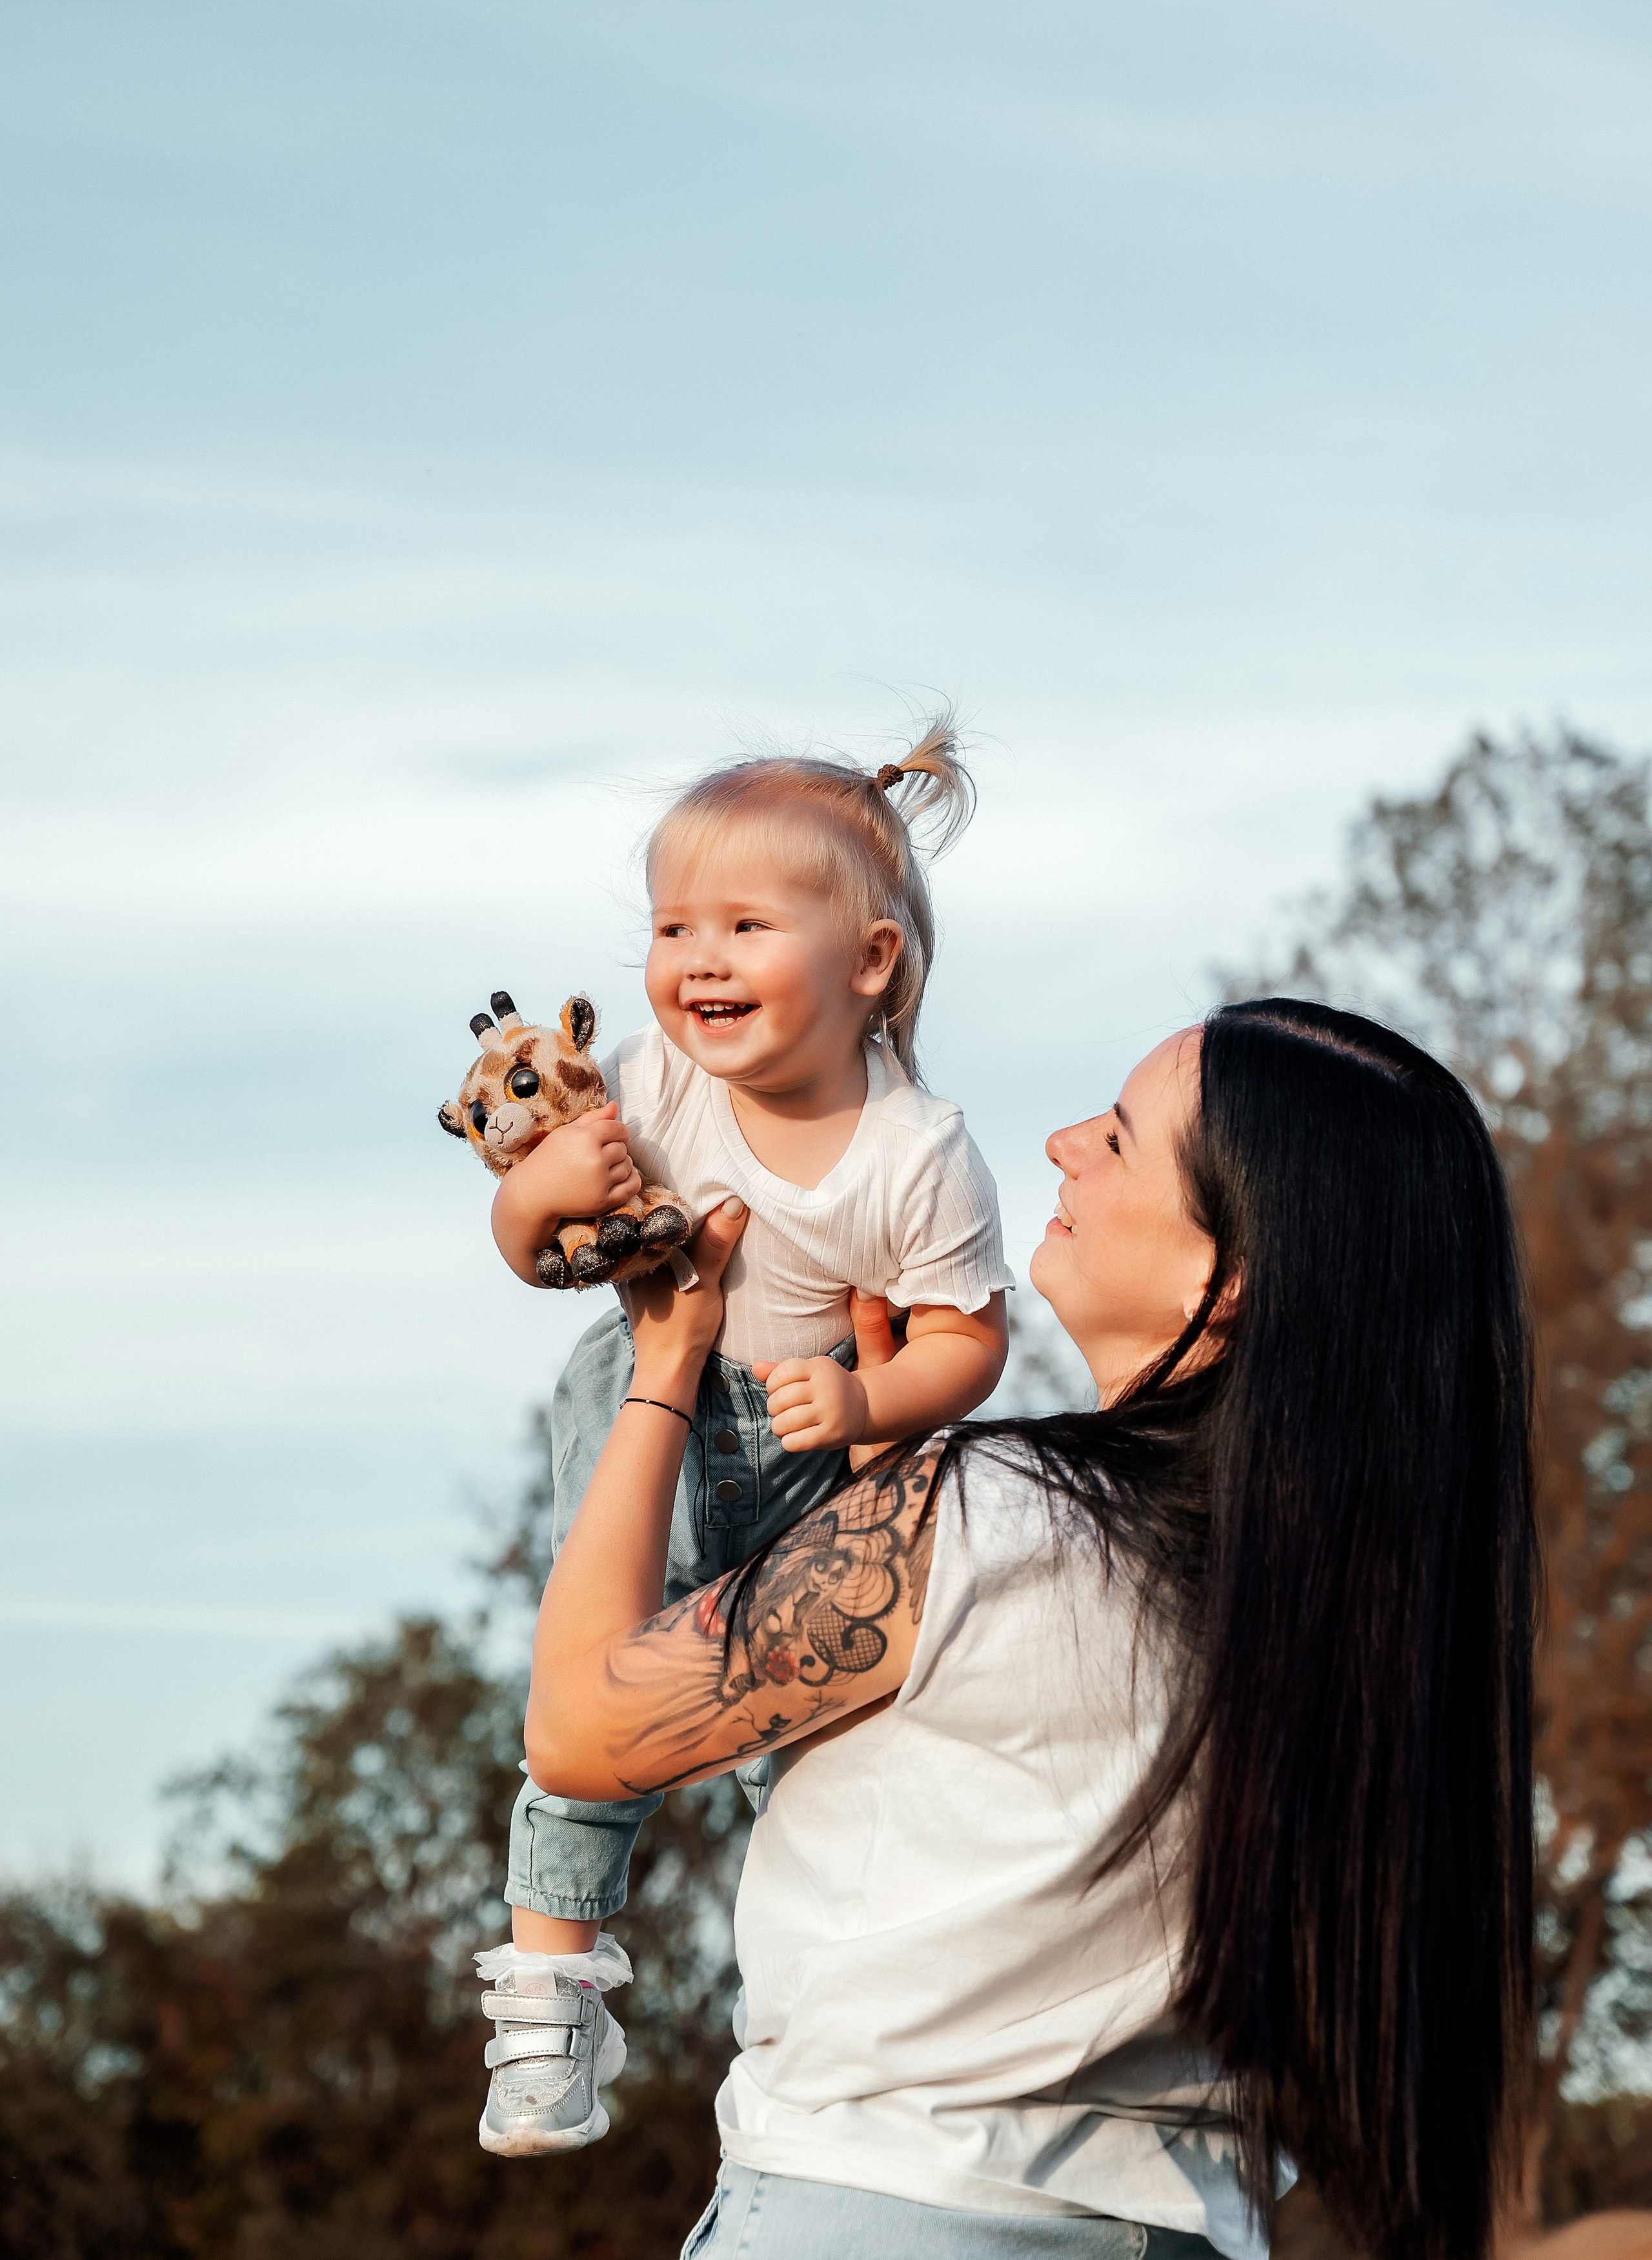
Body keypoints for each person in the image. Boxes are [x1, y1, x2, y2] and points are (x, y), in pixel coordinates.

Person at [523, 1001, 1536, 2260]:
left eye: (1114, 1139)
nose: (1059, 1143)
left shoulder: (987, 1516)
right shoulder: (1351, 1620)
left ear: (1221, 1284)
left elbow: (577, 1728)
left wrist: (663, 1362)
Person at [471, 716, 1014, 2154]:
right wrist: (542, 1196)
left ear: (870, 962)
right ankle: (547, 2007)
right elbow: (532, 1248)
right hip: (639, 1414)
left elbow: (967, 1338)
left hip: (808, 1438)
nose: (694, 959)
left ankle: (835, 2030)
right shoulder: (653, 1082)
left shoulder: (916, 1149)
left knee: (817, 1753)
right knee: (590, 1721)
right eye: (669, 925)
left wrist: (869, 1400)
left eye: (744, 924)